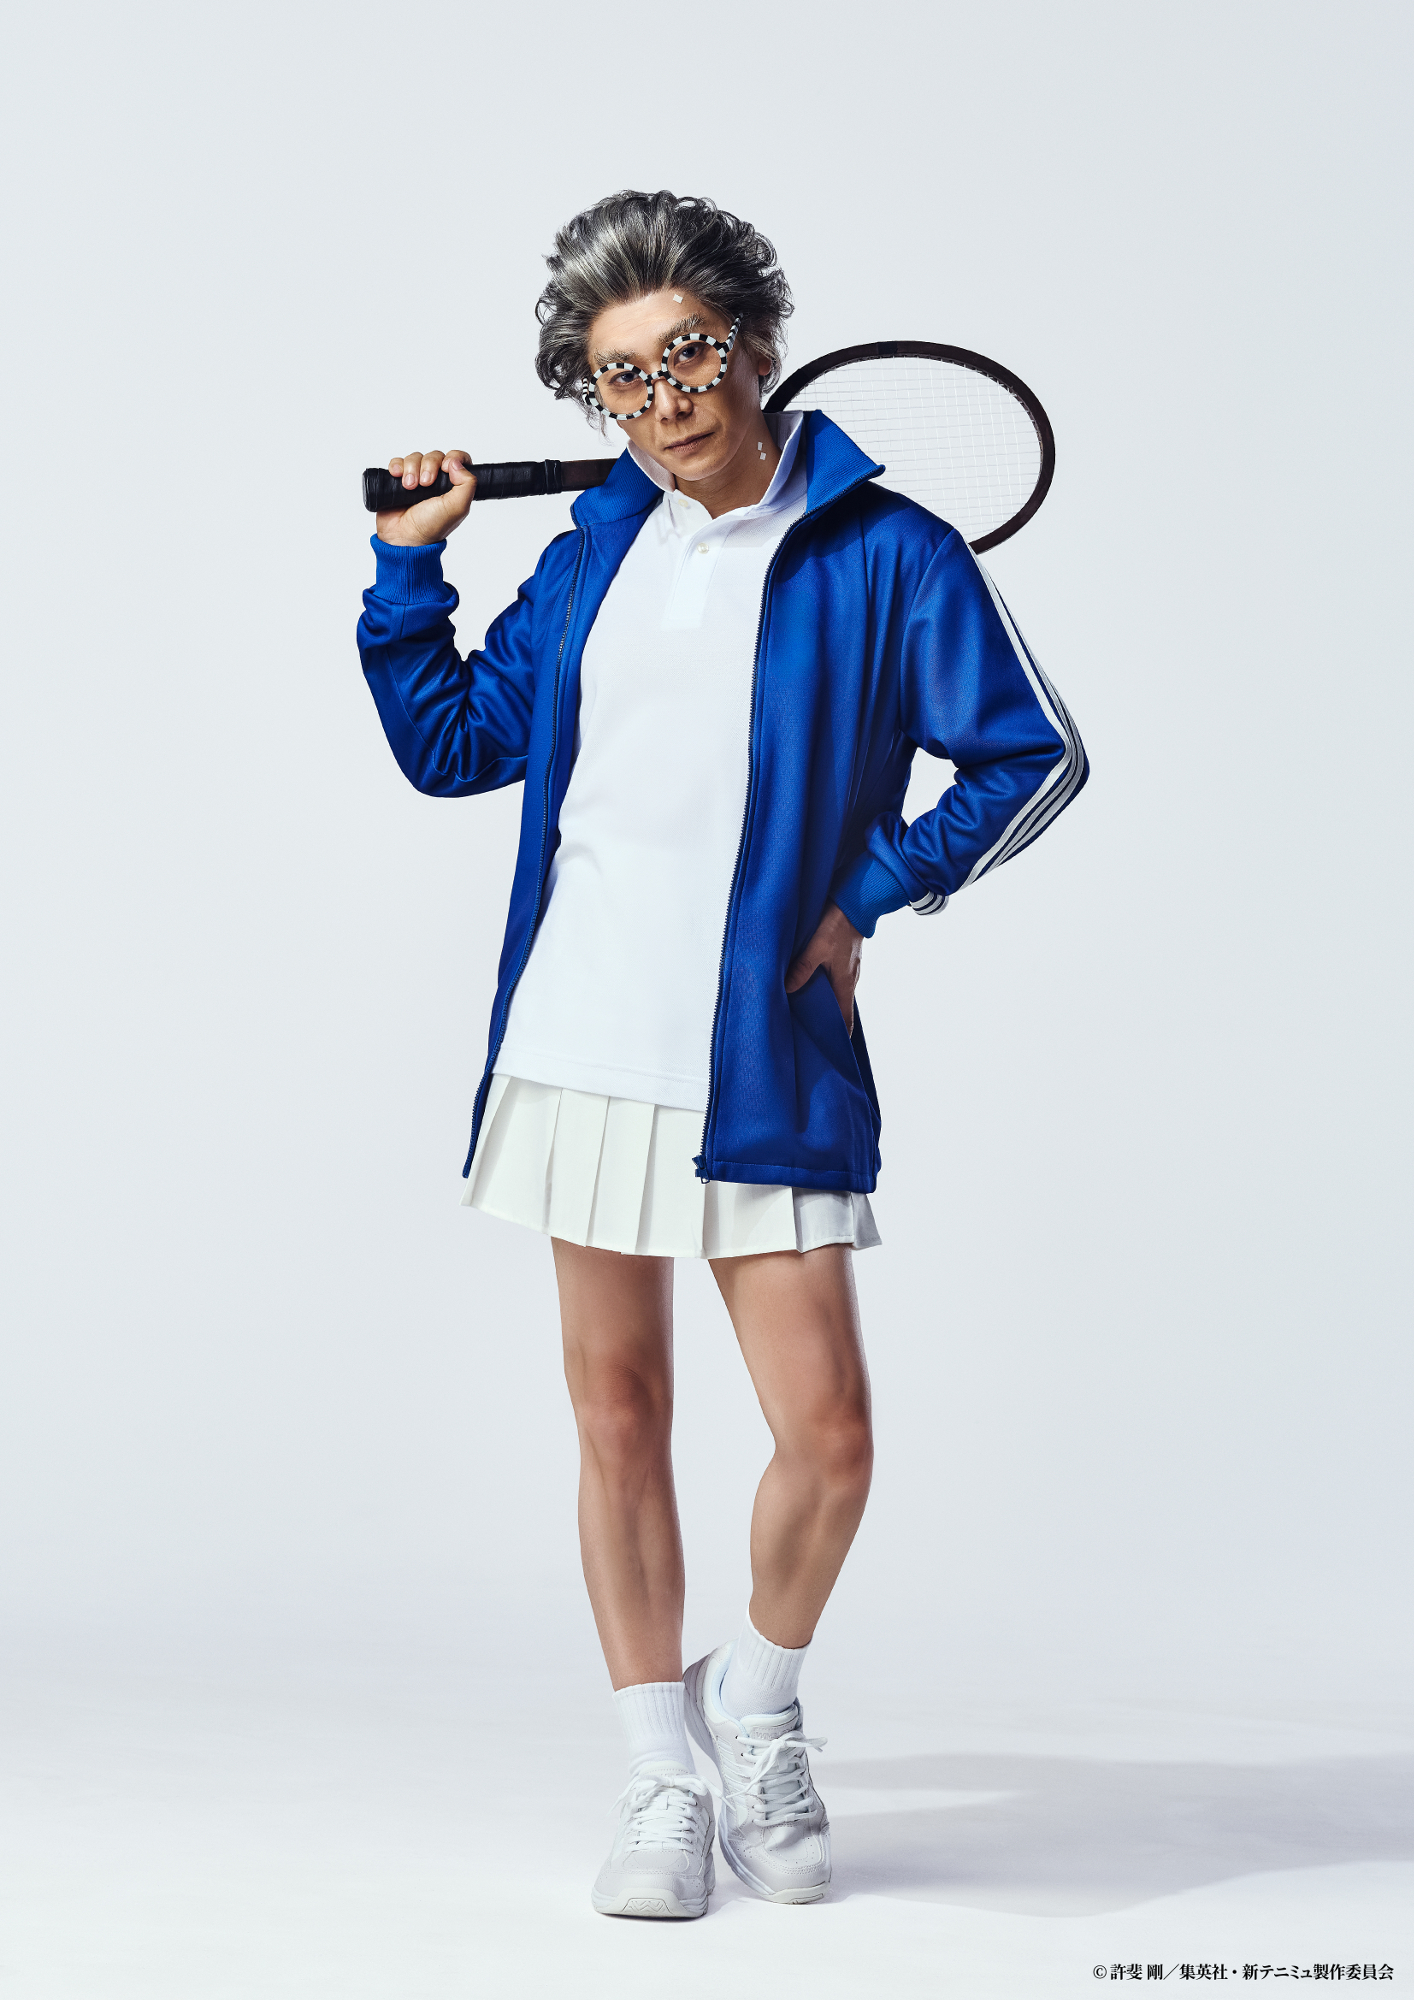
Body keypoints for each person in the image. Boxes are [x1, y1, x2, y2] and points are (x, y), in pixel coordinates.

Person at [356, 189, 1087, 1919]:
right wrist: (408, 570)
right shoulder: (588, 553)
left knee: (827, 1435)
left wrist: (867, 895)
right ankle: (654, 1773)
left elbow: (1030, 756)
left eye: (687, 352)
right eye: (620, 375)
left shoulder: (887, 552)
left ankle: (751, 1706)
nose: (663, 396)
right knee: (617, 1414)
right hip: (578, 1032)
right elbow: (454, 748)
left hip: (761, 1052)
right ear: (591, 393)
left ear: (752, 345)